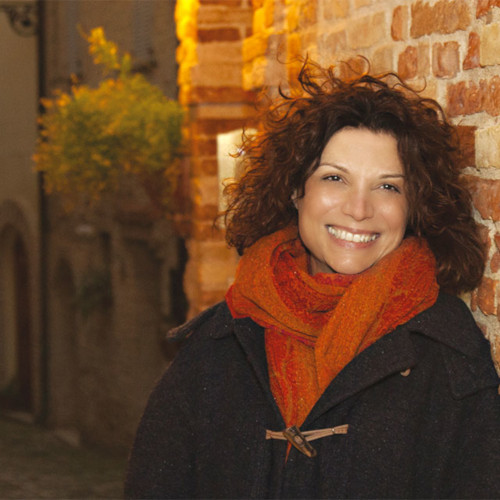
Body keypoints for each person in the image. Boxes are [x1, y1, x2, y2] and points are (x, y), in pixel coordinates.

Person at [124, 62, 500, 499]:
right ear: (295, 190)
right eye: (334, 178)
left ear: (414, 206)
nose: (358, 209)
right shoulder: (219, 342)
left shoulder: (448, 350)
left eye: (388, 187)